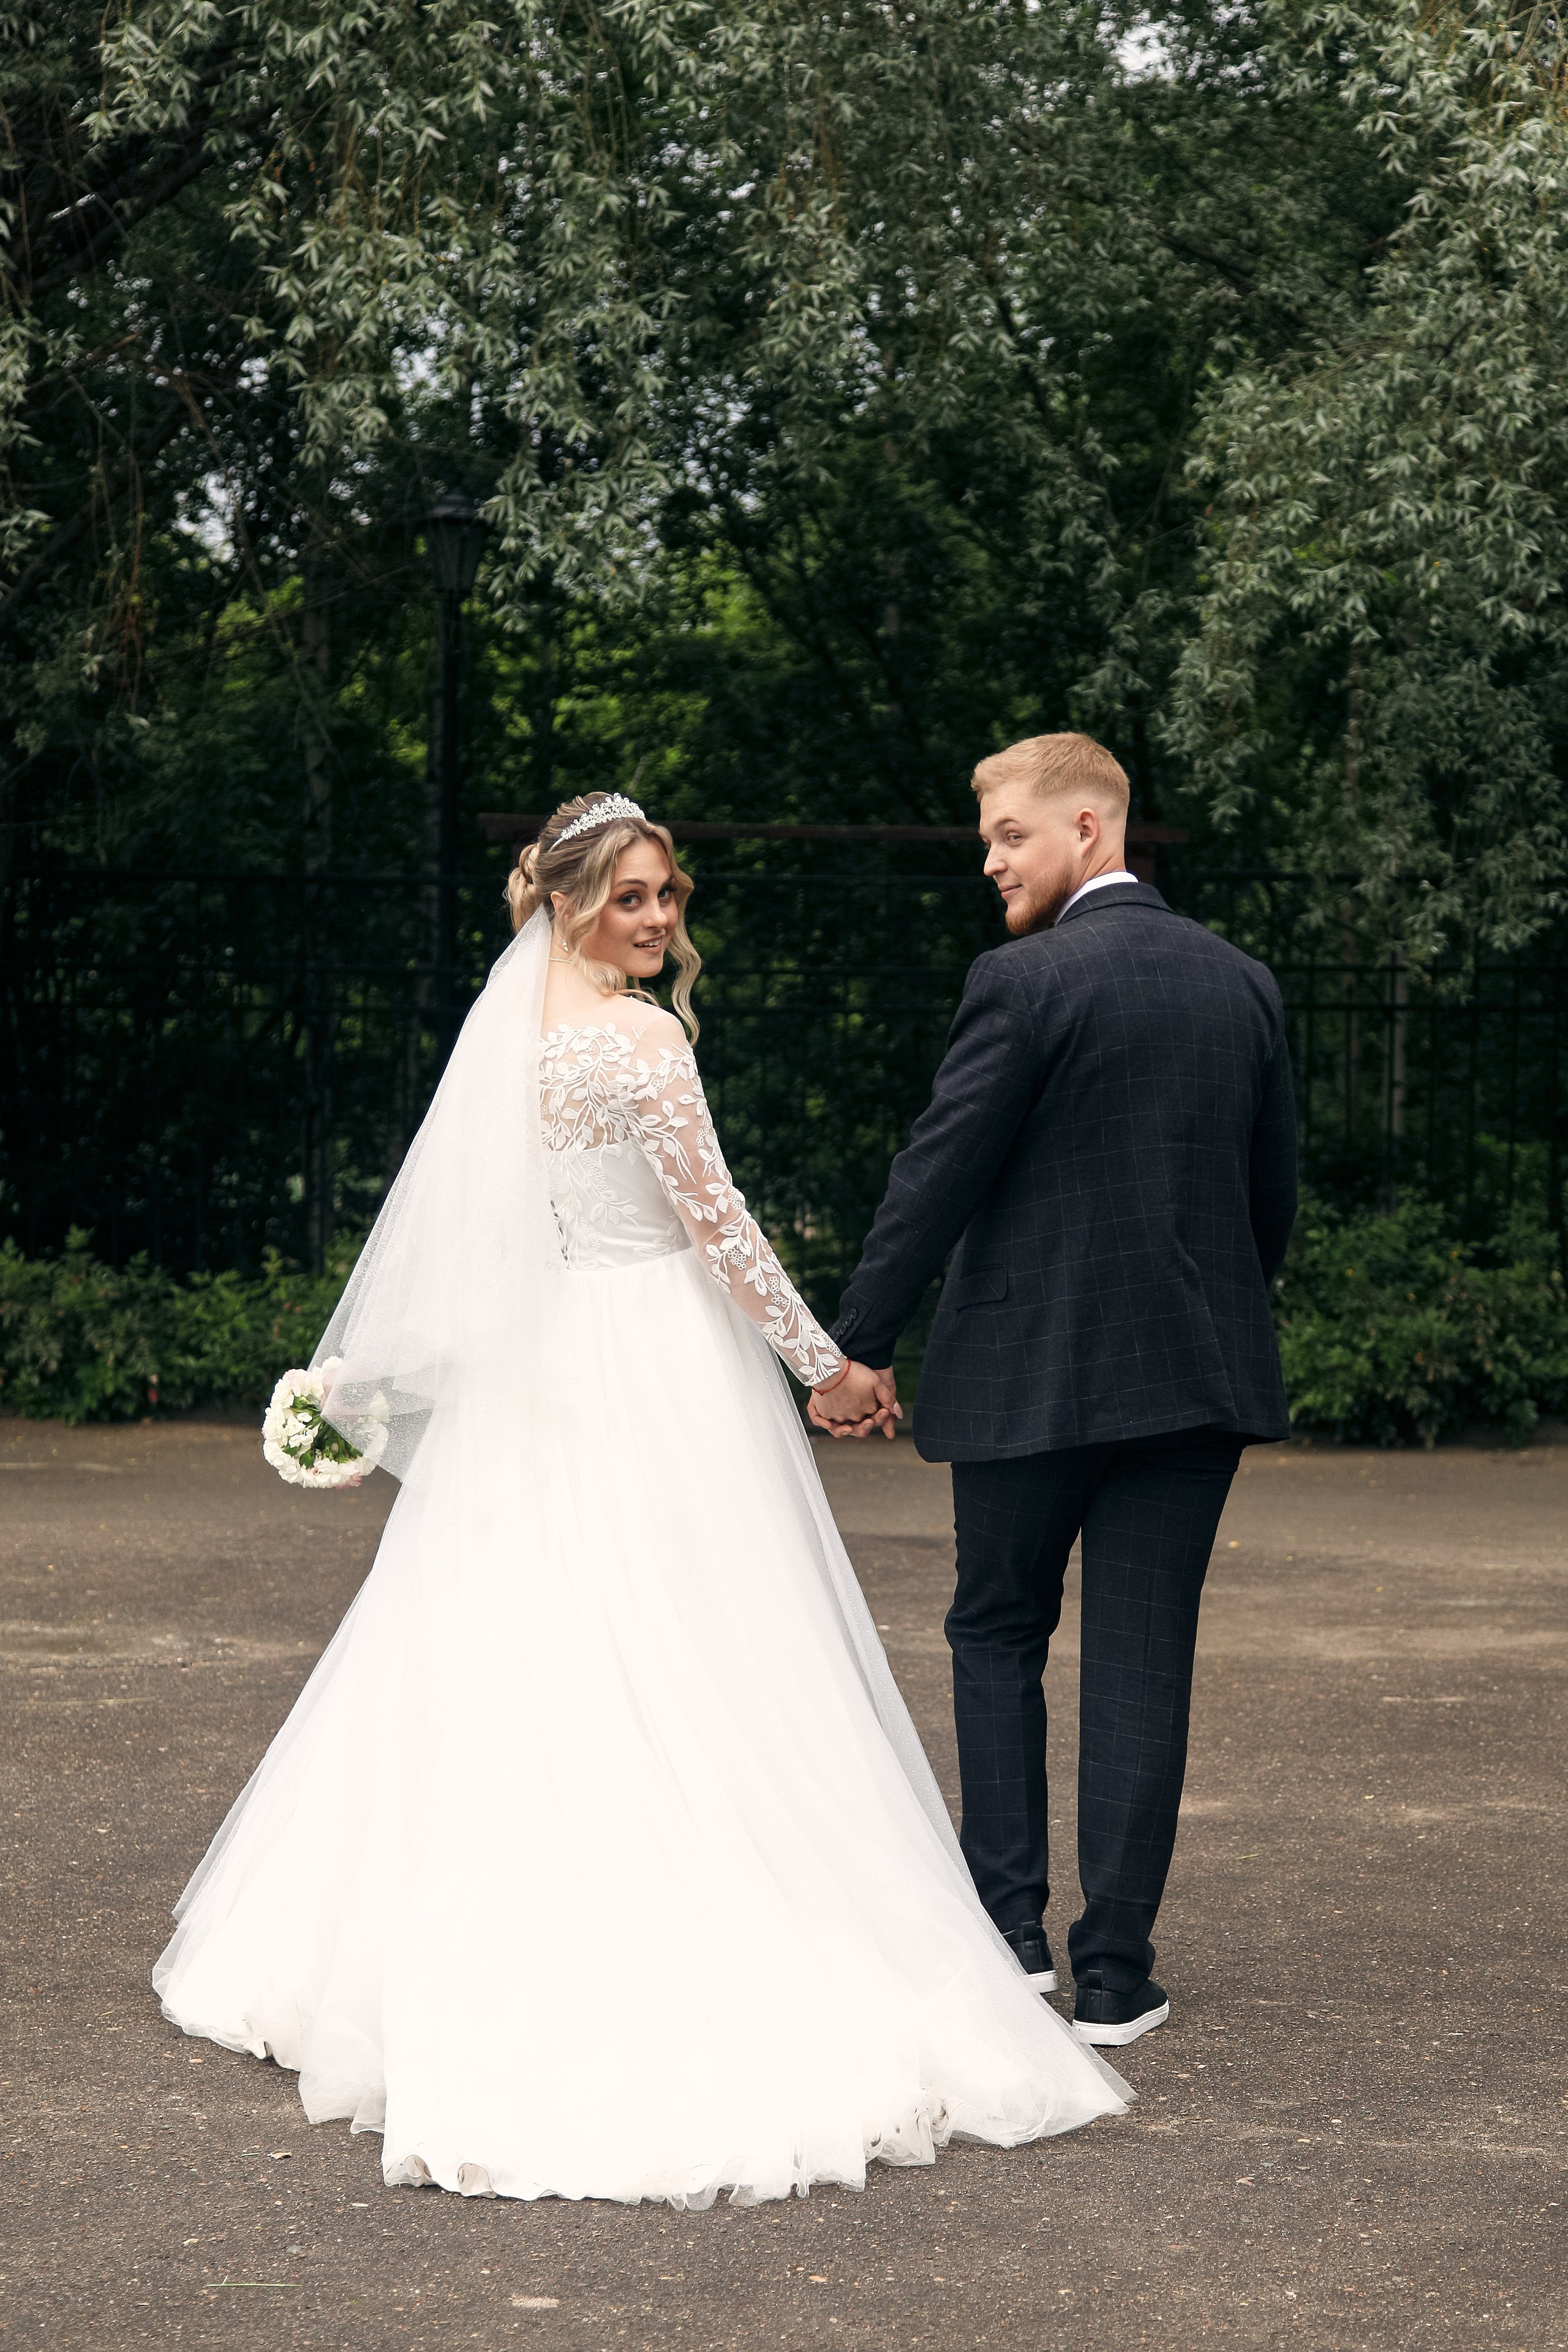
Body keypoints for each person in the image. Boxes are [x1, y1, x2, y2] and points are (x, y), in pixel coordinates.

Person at [154, 790, 1128, 2206]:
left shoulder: (508, 1041)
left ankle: (428, 1948)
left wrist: (370, 1373)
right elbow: (715, 1225)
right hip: (653, 1365)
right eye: (630, 897)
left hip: (541, 1369)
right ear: (564, 903)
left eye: (667, 894)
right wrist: (825, 1366)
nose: (659, 918)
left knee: (525, 1631)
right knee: (690, 1636)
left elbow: (464, 1240)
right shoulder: (642, 1039)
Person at [812, 734, 1297, 2048]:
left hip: (1026, 1370)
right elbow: (1268, 1206)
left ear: (1089, 828)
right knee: (1143, 1655)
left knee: (997, 1631)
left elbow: (938, 1172)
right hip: (1193, 1380)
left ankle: (1010, 1939)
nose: (989, 861)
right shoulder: (1240, 983)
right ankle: (1117, 1977)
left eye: (1009, 835)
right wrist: (1200, 1310)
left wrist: (855, 1344)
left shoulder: (1022, 982)